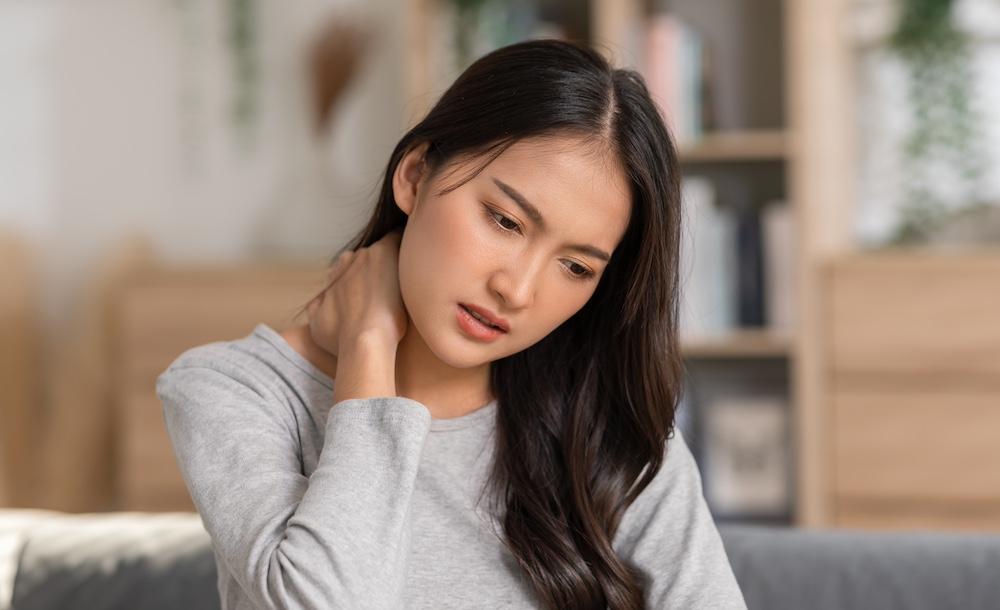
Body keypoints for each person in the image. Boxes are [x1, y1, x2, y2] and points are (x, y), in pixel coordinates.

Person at [156, 38, 747, 610]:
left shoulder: (611, 432)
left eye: (574, 266)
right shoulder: (234, 390)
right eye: (505, 221)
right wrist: (369, 348)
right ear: (415, 175)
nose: (515, 289)